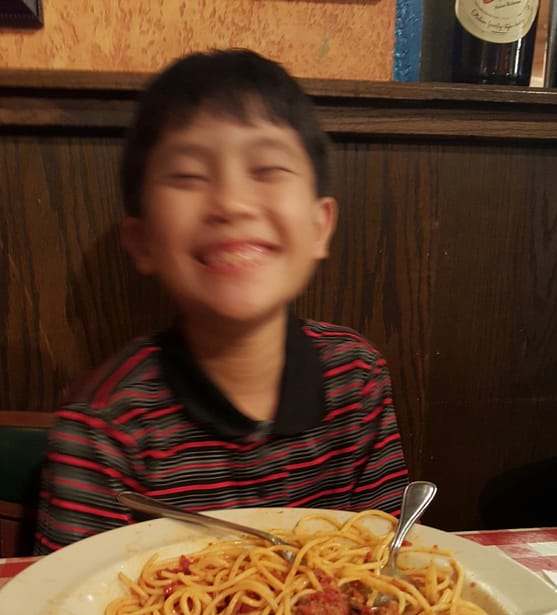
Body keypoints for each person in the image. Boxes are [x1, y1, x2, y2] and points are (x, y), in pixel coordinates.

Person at [35, 48, 408, 554]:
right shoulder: (104, 427)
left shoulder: (356, 377)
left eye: (268, 168)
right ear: (142, 241)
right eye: (188, 176)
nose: (231, 202)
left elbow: (387, 556)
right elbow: (65, 608)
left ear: (320, 226)